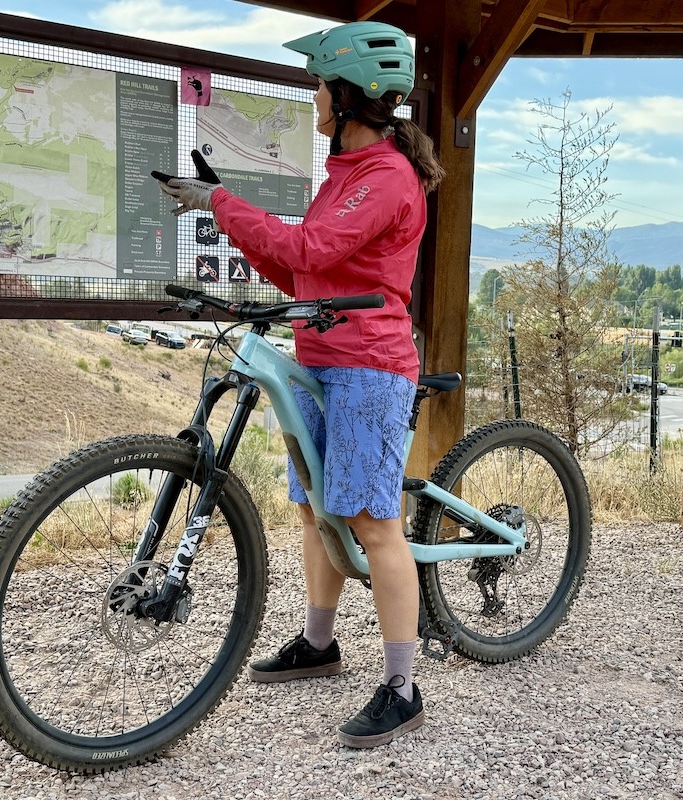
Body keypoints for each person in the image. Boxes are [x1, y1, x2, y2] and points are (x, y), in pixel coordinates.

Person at [154, 21, 445, 749]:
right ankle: (320, 644)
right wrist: (228, 215)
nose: (313, 97)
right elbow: (302, 271)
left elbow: (309, 247)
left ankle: (403, 689)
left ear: (347, 94)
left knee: (373, 524)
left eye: (319, 85)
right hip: (320, 355)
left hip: (369, 366)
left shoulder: (386, 176)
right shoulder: (342, 177)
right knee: (319, 510)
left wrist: (221, 204)